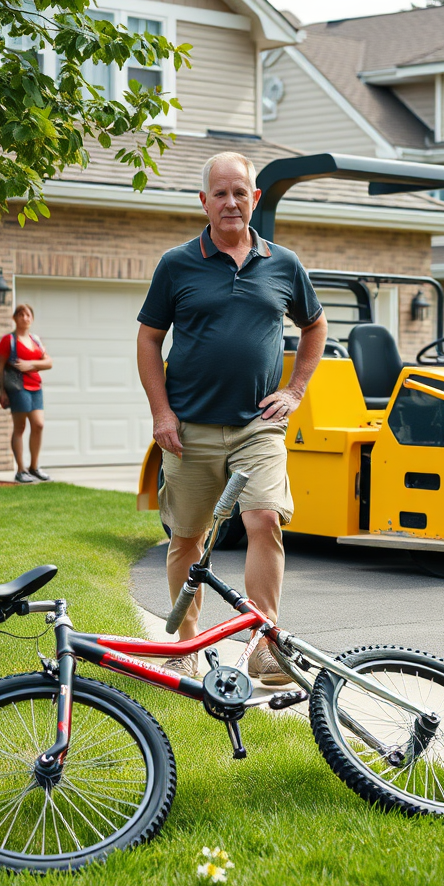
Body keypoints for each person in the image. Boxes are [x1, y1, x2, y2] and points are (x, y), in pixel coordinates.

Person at [137, 151, 328, 684]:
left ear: (254, 198)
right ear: (204, 201)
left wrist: (295, 389)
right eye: (219, 193)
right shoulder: (177, 264)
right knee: (187, 538)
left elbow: (315, 327)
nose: (230, 202)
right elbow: (149, 339)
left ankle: (265, 642)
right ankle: (185, 644)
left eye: (239, 192)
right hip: (189, 429)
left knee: (265, 518)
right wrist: (161, 413)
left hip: (257, 426)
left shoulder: (284, 264)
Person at [0, 303, 53, 483]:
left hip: (36, 387)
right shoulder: (9, 341)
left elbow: (49, 362)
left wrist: (31, 365)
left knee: (38, 425)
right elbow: (0, 368)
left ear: (32, 318)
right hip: (17, 388)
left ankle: (34, 467)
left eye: (28, 315)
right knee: (20, 428)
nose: (25, 318)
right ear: (15, 318)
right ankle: (20, 470)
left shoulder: (36, 339)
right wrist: (2, 391)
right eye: (21, 315)